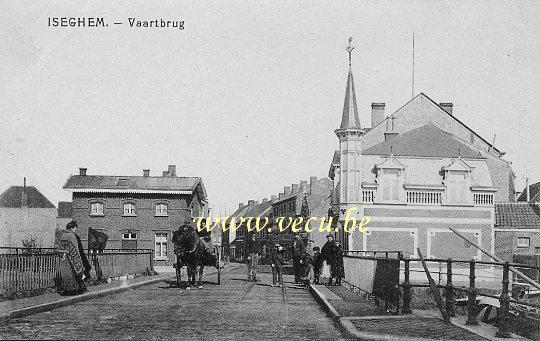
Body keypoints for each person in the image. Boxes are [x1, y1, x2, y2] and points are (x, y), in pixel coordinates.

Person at [56, 221, 92, 295]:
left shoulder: (63, 235)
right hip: (71, 257)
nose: (76, 230)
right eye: (75, 228)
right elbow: (76, 250)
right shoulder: (72, 236)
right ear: (72, 228)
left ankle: (67, 289)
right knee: (74, 273)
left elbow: (59, 248)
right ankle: (74, 290)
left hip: (63, 259)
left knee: (66, 274)